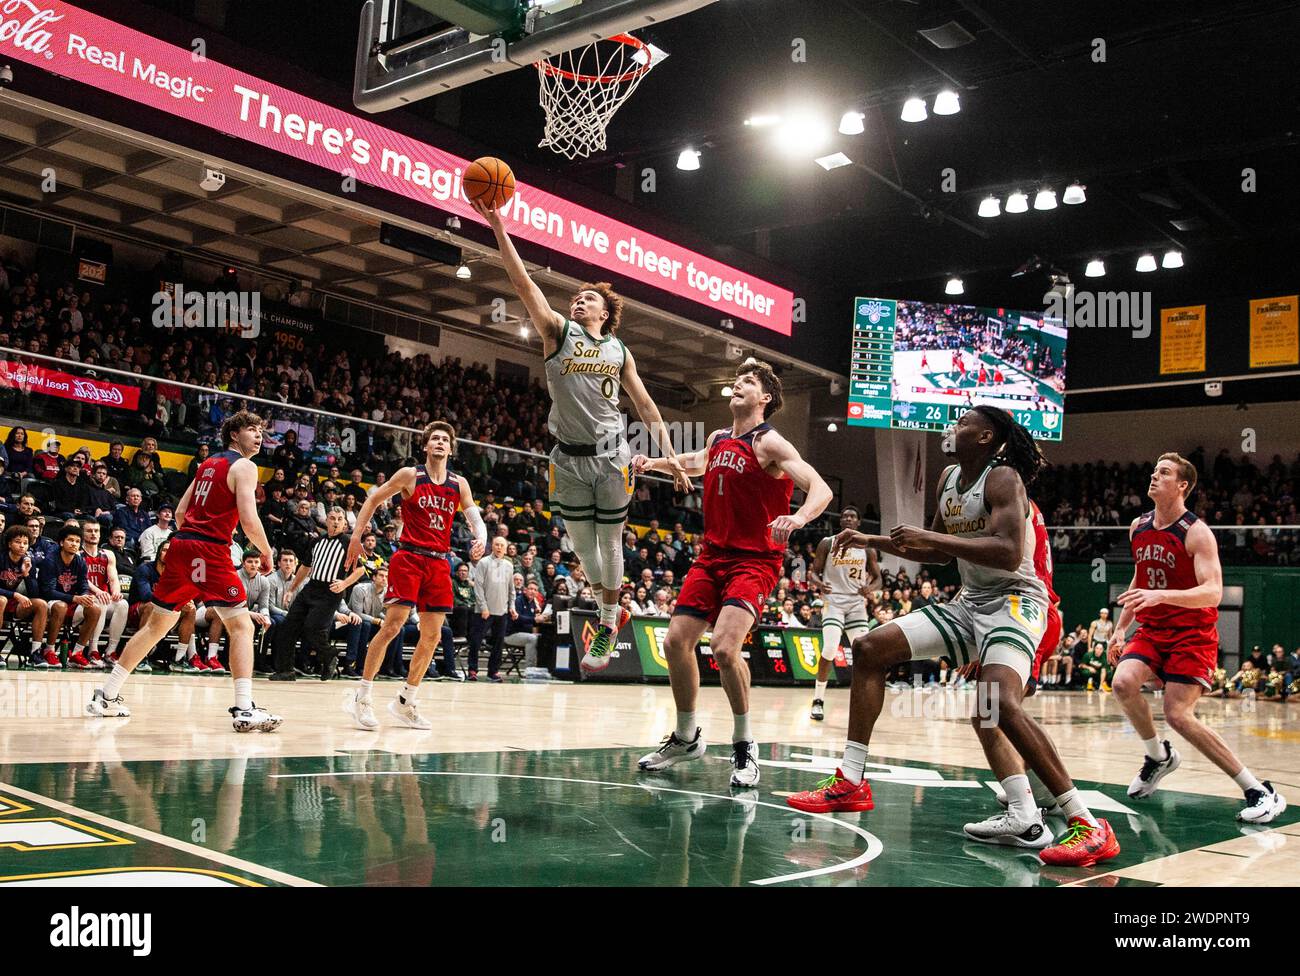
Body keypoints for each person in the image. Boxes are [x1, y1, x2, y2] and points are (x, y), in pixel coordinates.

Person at [788, 406, 1120, 868]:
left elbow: (1006, 554)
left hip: (1015, 599)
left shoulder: (1003, 478)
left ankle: (1087, 822)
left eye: (963, 423)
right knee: (868, 648)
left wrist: (931, 538)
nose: (953, 427)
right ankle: (853, 779)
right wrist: (873, 542)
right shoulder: (947, 478)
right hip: (969, 602)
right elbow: (937, 553)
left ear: (985, 436)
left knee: (997, 704)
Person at [474, 198, 691, 674]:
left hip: (612, 454)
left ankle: (609, 620)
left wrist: (671, 457)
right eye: (576, 296)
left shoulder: (619, 349)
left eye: (588, 297)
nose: (579, 299)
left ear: (606, 312)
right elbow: (521, 282)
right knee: (580, 545)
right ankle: (611, 606)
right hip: (567, 458)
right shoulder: (556, 331)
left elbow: (646, 405)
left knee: (611, 542)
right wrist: (497, 224)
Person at [635, 360, 831, 788]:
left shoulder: (771, 443)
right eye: (737, 379)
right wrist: (653, 463)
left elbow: (821, 488)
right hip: (712, 556)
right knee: (674, 642)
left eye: (748, 382)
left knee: (725, 648)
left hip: (754, 560)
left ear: (765, 399)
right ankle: (686, 737)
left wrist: (798, 518)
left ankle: (744, 744)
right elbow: (696, 461)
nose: (737, 385)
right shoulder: (720, 438)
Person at [1109, 453, 1286, 823]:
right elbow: (1141, 582)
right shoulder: (1138, 527)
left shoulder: (1196, 532)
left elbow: (1213, 592)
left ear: (1183, 486)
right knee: (1122, 683)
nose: (1155, 476)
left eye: (1165, 473)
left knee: (1178, 715)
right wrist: (1120, 627)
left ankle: (1259, 790)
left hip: (1192, 634)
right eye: (1154, 470)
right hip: (1153, 630)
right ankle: (1158, 756)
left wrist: (1164, 596)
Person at [86, 411, 282, 733]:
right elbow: (248, 519)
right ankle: (245, 708)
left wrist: (192, 539)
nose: (259, 436)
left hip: (180, 545)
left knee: (157, 625)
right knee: (242, 626)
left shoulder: (207, 465)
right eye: (251, 429)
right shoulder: (244, 466)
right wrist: (265, 551)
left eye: (261, 431)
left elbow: (180, 511)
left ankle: (106, 695)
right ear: (234, 435)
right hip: (209, 549)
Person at [343, 420, 486, 728]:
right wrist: (356, 536)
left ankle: (406, 701)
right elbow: (372, 498)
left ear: (450, 448)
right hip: (409, 558)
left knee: (432, 635)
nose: (439, 443)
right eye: (434, 438)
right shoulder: (411, 475)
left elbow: (473, 513)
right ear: (425, 446)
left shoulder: (459, 483)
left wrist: (482, 539)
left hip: (438, 563)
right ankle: (363, 697)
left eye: (444, 440)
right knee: (392, 626)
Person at [272, 508, 366, 680]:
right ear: (326, 521)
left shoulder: (348, 542)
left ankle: (329, 655)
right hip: (311, 587)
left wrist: (344, 583)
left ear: (345, 523)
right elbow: (305, 567)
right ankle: (286, 670)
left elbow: (360, 570)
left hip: (331, 591)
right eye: (332, 518)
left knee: (313, 629)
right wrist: (291, 589)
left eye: (339, 519)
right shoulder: (317, 541)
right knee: (287, 627)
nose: (336, 522)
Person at [807, 506, 880, 721]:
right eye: (845, 516)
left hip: (856, 603)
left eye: (853, 516)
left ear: (858, 523)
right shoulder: (827, 543)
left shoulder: (867, 548)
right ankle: (818, 700)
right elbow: (813, 572)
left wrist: (871, 588)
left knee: (863, 653)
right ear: (841, 522)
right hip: (833, 602)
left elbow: (878, 578)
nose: (848, 519)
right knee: (830, 648)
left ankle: (861, 701)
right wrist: (819, 583)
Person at [35, 523, 101, 669]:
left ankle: (77, 653)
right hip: (49, 602)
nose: (74, 544)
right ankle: (49, 650)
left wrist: (85, 596)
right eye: (70, 540)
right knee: (61, 606)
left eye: (77, 542)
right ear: (61, 542)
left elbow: (83, 585)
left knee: (95, 608)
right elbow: (48, 591)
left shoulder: (80, 562)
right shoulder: (50, 561)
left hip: (72, 600)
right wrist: (75, 598)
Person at [71, 520, 127, 668]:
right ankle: (93, 650)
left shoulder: (108, 554)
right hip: (81, 602)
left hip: (102, 599)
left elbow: (113, 578)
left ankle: (110, 651)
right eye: (89, 531)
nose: (93, 534)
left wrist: (116, 592)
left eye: (96, 531)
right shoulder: (77, 554)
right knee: (99, 602)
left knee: (123, 604)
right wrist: (99, 591)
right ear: (82, 534)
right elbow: (82, 579)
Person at [0, 525, 48, 663]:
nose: (22, 546)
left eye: (25, 543)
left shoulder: (28, 562)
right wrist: (16, 595)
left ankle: (35, 652)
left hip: (12, 604)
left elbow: (34, 593)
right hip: (3, 600)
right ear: (9, 543)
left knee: (41, 604)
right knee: (1, 600)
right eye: (18, 542)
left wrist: (26, 574)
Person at [470, 536, 515, 682]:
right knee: (476, 641)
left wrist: (512, 608)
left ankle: (493, 672)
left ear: (506, 548)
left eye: (502, 545)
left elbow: (511, 590)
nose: (499, 547)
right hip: (484, 611)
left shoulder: (509, 565)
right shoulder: (483, 563)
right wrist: (483, 607)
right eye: (496, 544)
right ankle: (472, 670)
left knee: (498, 643)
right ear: (492, 546)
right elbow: (478, 588)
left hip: (501, 611)